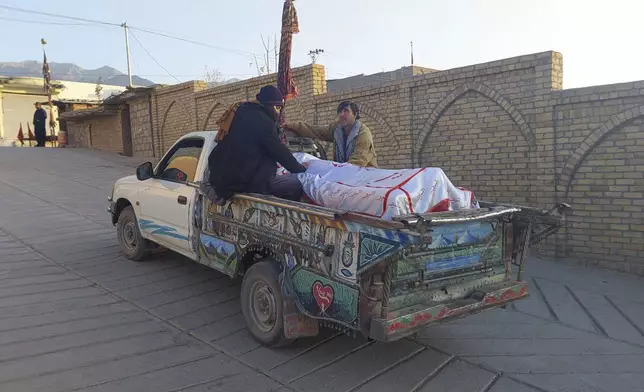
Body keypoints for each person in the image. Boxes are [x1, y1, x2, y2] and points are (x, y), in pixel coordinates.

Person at [207, 85, 308, 203]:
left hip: (222, 177)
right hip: (245, 181)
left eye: (280, 108)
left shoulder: (241, 111)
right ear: (267, 104)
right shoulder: (264, 122)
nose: (278, 112)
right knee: (299, 183)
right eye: (277, 107)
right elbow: (280, 152)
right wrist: (301, 169)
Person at [284, 100, 378, 167]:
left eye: (346, 111)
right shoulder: (337, 128)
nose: (341, 114)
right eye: (340, 112)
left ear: (355, 114)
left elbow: (357, 163)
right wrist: (292, 125)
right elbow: (316, 131)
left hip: (365, 176)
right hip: (343, 174)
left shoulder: (363, 134)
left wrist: (332, 169)